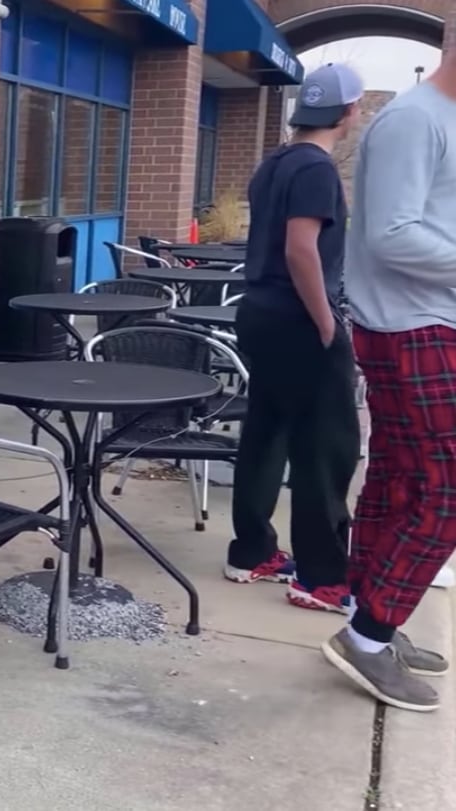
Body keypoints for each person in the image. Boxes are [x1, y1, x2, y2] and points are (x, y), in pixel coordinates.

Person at [324, 47, 456, 712]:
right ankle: (368, 634)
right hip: (413, 324)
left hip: (420, 322)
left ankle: (373, 619)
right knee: (445, 490)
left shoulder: (436, 118)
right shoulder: (416, 120)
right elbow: (393, 235)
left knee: (403, 478)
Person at [223, 63, 365, 614]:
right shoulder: (316, 170)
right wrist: (328, 324)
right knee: (326, 447)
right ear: (349, 112)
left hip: (260, 313)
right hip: (299, 319)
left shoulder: (274, 163)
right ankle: (323, 578)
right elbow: (300, 248)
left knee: (268, 432)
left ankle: (252, 551)